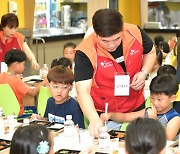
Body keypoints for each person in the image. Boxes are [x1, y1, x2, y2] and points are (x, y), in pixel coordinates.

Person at [74, 8, 156, 136]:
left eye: (117, 39)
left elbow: (150, 52)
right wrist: (94, 119)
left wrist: (144, 72)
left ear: (122, 29)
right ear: (95, 34)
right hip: (105, 113)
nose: (112, 45)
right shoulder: (85, 52)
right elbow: (82, 91)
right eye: (105, 41)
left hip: (136, 106)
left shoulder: (135, 32)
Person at [0, 49, 47, 116]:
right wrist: (45, 81)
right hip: (18, 114)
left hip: (3, 113)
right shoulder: (16, 81)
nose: (24, 67)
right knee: (35, 110)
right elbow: (33, 92)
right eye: (23, 64)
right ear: (16, 65)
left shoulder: (1, 76)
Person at [147, 74, 180, 140]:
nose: (155, 103)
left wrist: (154, 121)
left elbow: (167, 140)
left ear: (172, 98)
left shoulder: (174, 118)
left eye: (159, 99)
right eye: (152, 98)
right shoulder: (149, 111)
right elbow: (127, 117)